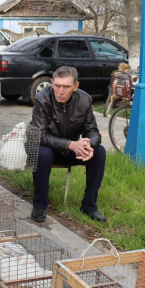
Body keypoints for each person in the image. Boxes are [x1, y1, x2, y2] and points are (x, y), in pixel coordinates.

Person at [30, 66, 107, 223]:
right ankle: (39, 205)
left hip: (70, 149)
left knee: (99, 152)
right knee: (43, 154)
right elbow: (39, 136)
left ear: (75, 86)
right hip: (46, 148)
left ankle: (89, 206)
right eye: (57, 85)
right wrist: (70, 144)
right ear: (52, 83)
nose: (60, 91)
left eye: (66, 86)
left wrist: (89, 143)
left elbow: (93, 131)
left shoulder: (84, 100)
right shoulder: (42, 98)